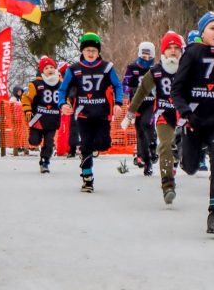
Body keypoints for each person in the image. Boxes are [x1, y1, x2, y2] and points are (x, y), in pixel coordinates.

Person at [171, 12, 214, 233]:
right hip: (194, 120)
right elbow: (176, 90)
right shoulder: (192, 52)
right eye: (212, 28)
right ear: (202, 32)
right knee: (190, 167)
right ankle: (181, 147)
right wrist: (187, 113)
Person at [124, 31, 186, 203]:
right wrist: (131, 111)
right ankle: (168, 185)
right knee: (165, 145)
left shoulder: (187, 69)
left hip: (184, 114)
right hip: (164, 113)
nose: (173, 51)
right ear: (163, 51)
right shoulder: (156, 71)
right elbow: (142, 90)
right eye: (169, 48)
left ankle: (178, 159)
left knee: (185, 152)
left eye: (176, 48)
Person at [58, 32, 124, 193]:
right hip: (83, 114)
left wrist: (118, 103)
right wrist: (62, 104)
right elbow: (63, 89)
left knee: (104, 144)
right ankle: (87, 178)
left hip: (102, 114)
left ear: (98, 52)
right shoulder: (74, 69)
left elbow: (118, 85)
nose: (90, 53)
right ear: (82, 51)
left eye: (94, 50)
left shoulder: (107, 68)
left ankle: (89, 150)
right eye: (87, 50)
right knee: (86, 145)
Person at [21, 56, 62, 173]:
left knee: (49, 142)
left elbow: (66, 97)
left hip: (53, 118)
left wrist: (67, 104)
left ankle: (45, 162)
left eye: (52, 67)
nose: (50, 70)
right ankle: (35, 141)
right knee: (34, 141)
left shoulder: (61, 84)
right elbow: (26, 98)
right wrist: (27, 110)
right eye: (46, 68)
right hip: (37, 118)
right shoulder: (35, 84)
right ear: (42, 71)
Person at [122, 41, 158, 174]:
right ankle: (146, 161)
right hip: (137, 104)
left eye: (149, 57)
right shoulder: (132, 68)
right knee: (140, 131)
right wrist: (132, 91)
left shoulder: (155, 68)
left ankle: (153, 146)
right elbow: (124, 84)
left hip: (151, 102)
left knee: (147, 123)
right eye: (144, 57)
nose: (146, 60)